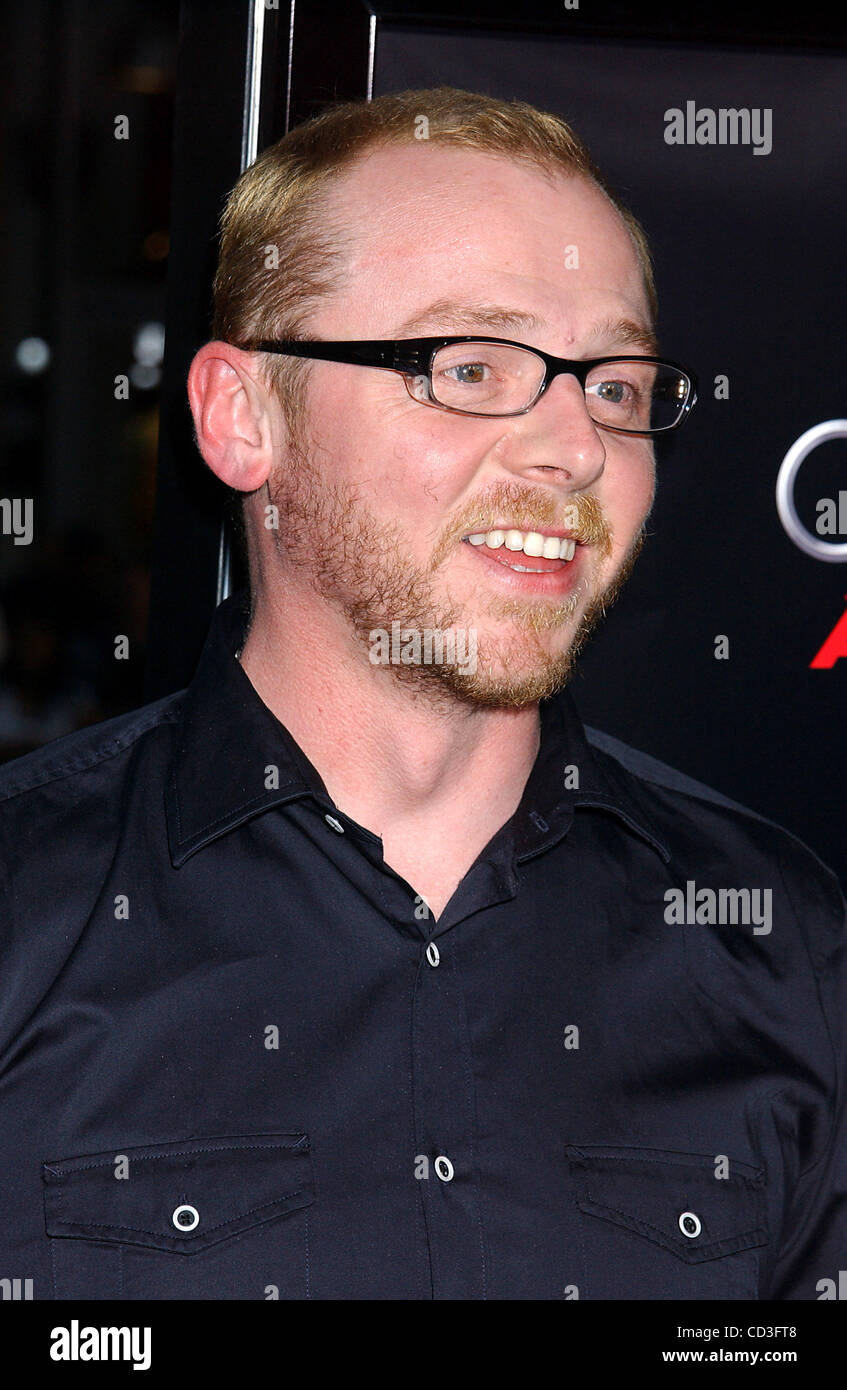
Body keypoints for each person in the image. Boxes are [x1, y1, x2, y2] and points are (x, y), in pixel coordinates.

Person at [0, 87, 844, 1302]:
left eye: (613, 386)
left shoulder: (779, 944)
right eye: (471, 366)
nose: (576, 448)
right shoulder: (30, 912)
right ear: (243, 416)